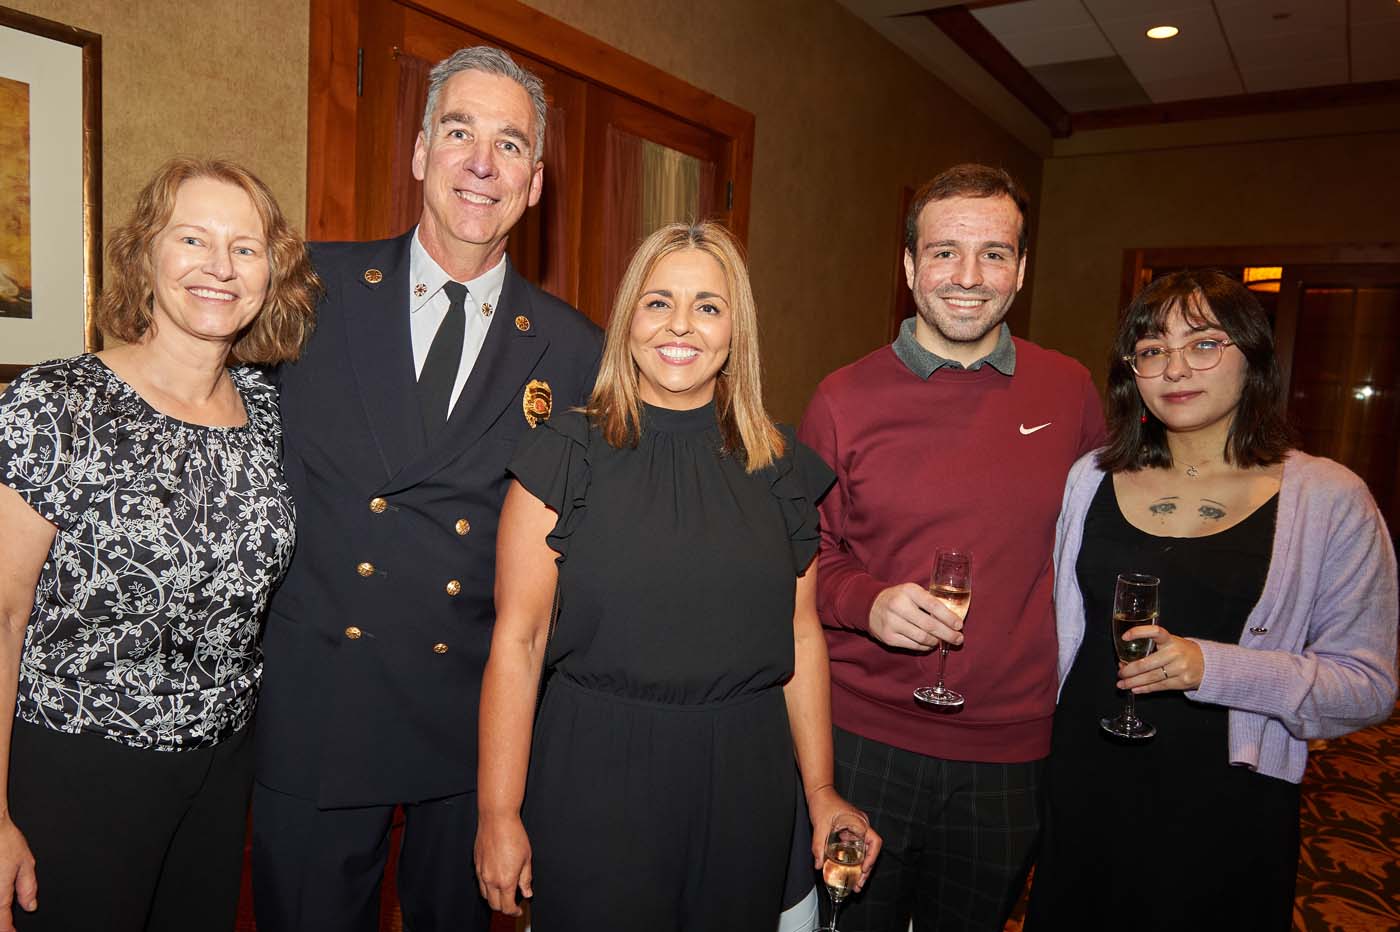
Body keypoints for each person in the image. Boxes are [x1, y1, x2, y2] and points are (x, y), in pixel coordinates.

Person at [250, 46, 601, 932]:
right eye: (458, 132)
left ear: (534, 183)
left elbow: (594, 547)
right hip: (318, 710)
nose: (481, 163)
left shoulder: (574, 352)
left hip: (469, 736)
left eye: (510, 144)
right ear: (418, 153)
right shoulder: (309, 289)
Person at [474, 221, 880, 931]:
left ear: (736, 330)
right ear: (628, 316)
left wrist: (820, 790)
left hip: (747, 783)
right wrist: (498, 811)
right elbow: (520, 641)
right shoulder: (561, 455)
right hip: (595, 777)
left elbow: (800, 636)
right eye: (659, 301)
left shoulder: (782, 466)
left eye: (709, 306)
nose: (682, 325)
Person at [0, 156, 317, 932]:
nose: (220, 266)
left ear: (271, 275)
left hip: (220, 775)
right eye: (193, 239)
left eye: (246, 248)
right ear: (145, 254)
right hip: (74, 769)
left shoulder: (271, 418)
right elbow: (1, 615)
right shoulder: (56, 404)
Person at [1026, 269, 1398, 930]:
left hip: (1227, 802)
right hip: (1085, 783)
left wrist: (1213, 668)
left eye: (1202, 344)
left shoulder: (1328, 498)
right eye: (1151, 349)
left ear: (1252, 357)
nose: (1174, 367)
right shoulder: (1091, 477)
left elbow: (1367, 687)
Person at [797, 163, 1106, 932]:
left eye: (994, 254)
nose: (968, 277)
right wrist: (867, 603)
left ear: (1022, 269)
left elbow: (1099, 545)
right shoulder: (842, 398)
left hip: (1010, 750)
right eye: (944, 253)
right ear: (909, 267)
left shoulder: (1069, 393)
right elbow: (805, 560)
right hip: (862, 739)